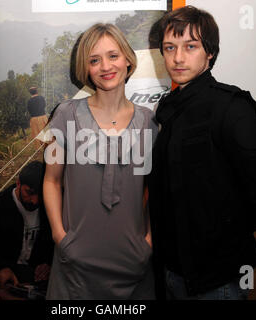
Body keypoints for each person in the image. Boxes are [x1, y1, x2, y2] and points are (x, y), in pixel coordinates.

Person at [148, 6, 256, 300]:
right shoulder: (168, 109)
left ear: (209, 52)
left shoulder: (233, 106)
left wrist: (216, 236)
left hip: (218, 280)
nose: (178, 57)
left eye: (191, 46)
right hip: (171, 273)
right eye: (170, 47)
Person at [43, 23, 158, 299]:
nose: (106, 66)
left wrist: (149, 243)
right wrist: (60, 237)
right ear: (86, 68)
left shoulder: (152, 121)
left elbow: (158, 189)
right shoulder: (65, 114)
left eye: (113, 56)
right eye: (95, 60)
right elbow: (51, 180)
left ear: (128, 60)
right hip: (75, 266)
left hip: (133, 265)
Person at [0, 161, 54, 291]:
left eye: (40, 195)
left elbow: (53, 244)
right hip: (5, 275)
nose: (35, 200)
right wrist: (1, 267)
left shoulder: (49, 208)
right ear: (18, 183)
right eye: (29, 192)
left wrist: (48, 263)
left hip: (35, 277)